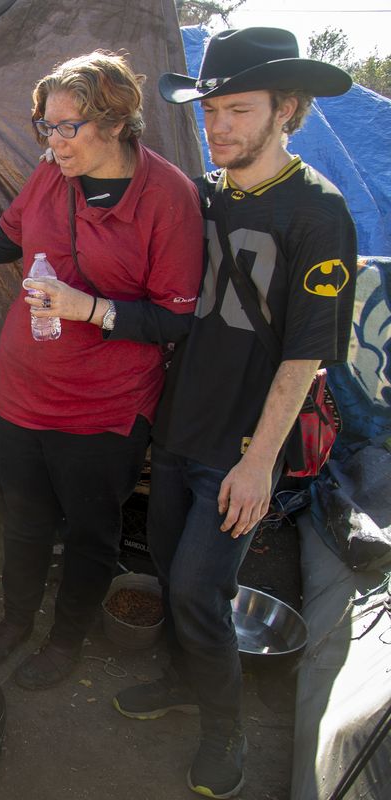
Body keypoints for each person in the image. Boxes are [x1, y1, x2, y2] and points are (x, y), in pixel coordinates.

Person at [0, 52, 203, 690]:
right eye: (46, 126)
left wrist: (89, 308)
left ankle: (65, 641)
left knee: (89, 533)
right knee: (25, 520)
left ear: (116, 124)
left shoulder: (169, 199)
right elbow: (3, 240)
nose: (53, 142)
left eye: (68, 127)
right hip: (22, 394)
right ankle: (15, 620)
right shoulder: (51, 177)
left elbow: (175, 319)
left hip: (102, 409)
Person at [112, 28, 357, 799]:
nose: (218, 127)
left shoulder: (320, 213)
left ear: (287, 108)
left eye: (238, 110)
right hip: (180, 423)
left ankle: (227, 733)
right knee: (162, 561)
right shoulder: (203, 192)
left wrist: (259, 462)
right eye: (210, 110)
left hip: (245, 442)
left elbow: (305, 355)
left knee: (196, 585)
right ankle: (182, 679)